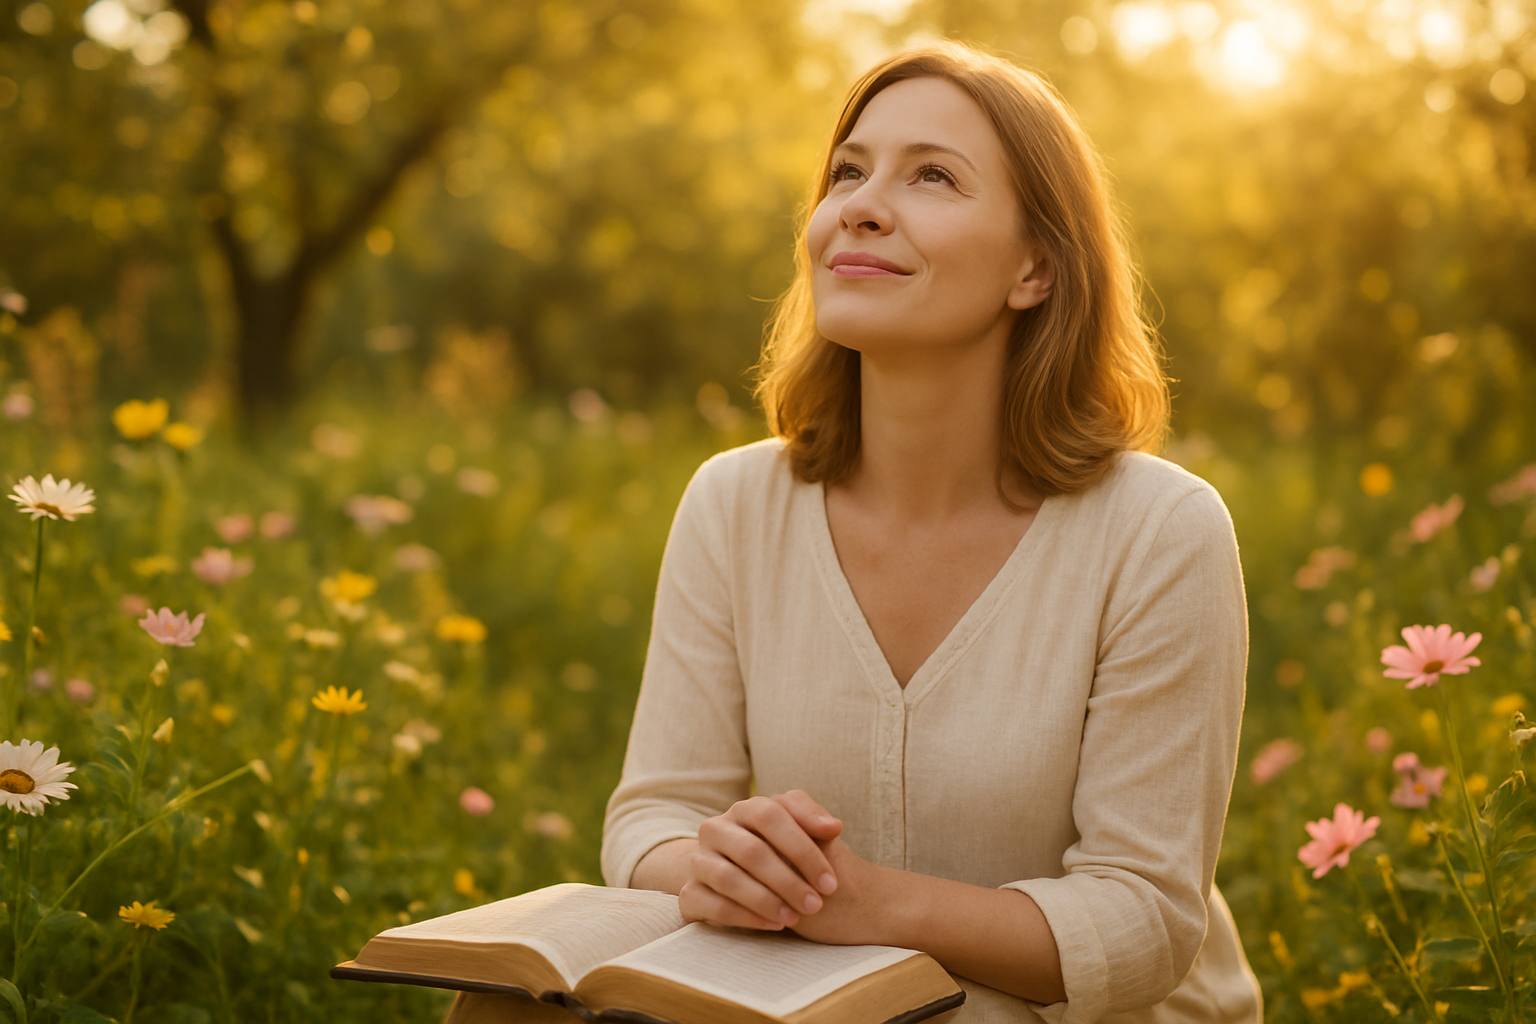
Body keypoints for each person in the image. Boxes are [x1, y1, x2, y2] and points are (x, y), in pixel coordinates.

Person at [601, 41, 1262, 1024]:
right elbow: (649, 816)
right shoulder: (732, 504)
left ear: (1035, 268)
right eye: (848, 172)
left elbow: (1142, 921)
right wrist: (717, 865)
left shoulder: (1161, 532)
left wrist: (864, 903)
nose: (861, 205)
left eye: (934, 176)